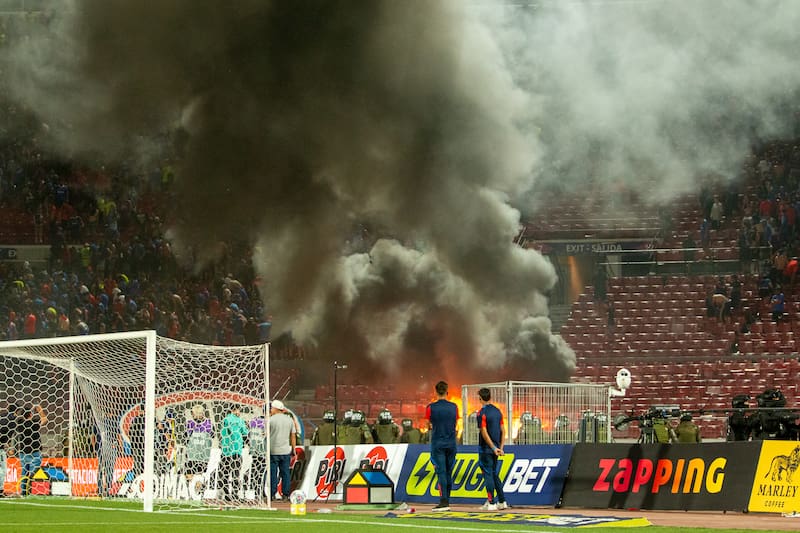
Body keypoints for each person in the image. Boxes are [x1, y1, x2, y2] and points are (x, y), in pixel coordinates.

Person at [425, 381, 458, 512]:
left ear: (435, 392)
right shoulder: (454, 407)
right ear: (447, 391)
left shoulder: (430, 407)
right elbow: (455, 422)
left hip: (438, 442)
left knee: (441, 472)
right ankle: (447, 500)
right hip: (451, 443)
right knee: (448, 472)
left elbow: (428, 424)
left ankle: (444, 502)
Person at [476, 388, 508, 511]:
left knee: (488, 474)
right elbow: (503, 430)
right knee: (494, 474)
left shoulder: (481, 413)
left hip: (486, 449)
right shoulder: (497, 411)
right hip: (496, 448)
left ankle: (491, 502)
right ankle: (502, 501)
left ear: (480, 398)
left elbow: (484, 432)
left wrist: (493, 448)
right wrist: (500, 448)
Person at [218, 404, 249, 501]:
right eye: (238, 410)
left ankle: (226, 493)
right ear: (235, 410)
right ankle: (235, 493)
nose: (239, 412)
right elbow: (245, 433)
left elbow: (222, 433)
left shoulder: (225, 420)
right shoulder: (240, 421)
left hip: (226, 450)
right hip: (236, 450)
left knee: (225, 473)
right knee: (236, 473)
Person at [268, 399, 296, 501]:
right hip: (285, 451)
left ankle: (272, 494)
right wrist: (293, 449)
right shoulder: (289, 420)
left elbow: (265, 434)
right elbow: (293, 435)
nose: (271, 410)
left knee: (273, 473)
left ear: (276, 409)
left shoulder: (270, 420)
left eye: (272, 408)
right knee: (285, 473)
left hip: (272, 451)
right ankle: (286, 494)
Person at [18, 404, 48, 496]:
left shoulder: (20, 424)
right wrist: (40, 409)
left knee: (24, 473)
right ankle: (30, 491)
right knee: (33, 474)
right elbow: (45, 420)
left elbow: (20, 417)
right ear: (31, 415)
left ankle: (23, 492)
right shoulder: (34, 423)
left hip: (23, 453)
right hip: (34, 453)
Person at [184, 404, 213, 478]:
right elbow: (185, 438)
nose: (198, 415)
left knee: (200, 477)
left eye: (200, 413)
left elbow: (212, 436)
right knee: (189, 476)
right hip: (191, 456)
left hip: (203, 456)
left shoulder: (208, 423)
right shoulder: (190, 423)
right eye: (195, 413)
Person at [0, 405, 22, 498]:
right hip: (1, 448)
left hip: (2, 447)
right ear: (17, 411)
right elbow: (6, 434)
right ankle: (0, 491)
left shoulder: (3, 416)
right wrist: (8, 447)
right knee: (2, 470)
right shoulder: (12, 421)